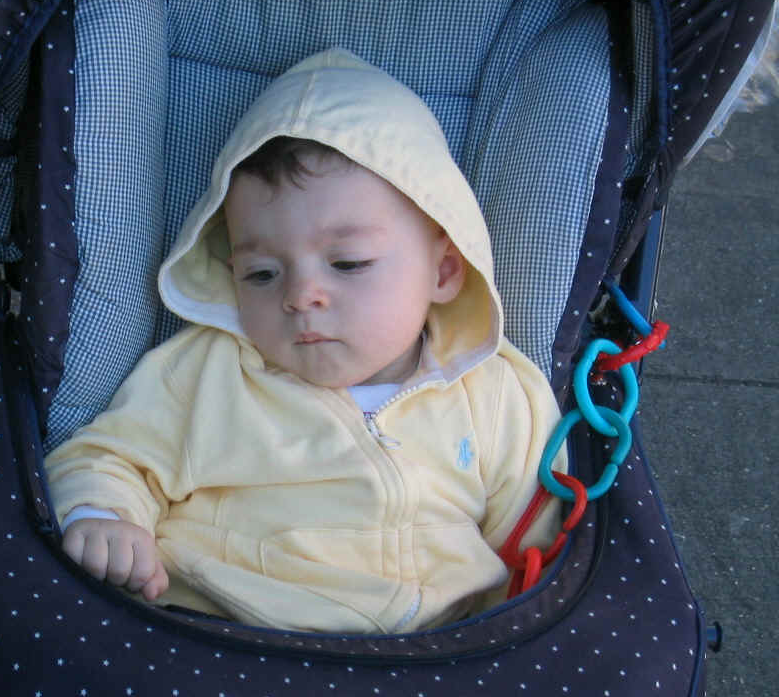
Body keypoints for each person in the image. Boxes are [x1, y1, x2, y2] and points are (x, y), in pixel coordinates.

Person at [44, 48, 567, 634]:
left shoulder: (495, 395)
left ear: (443, 271)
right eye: (261, 274)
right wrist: (104, 515)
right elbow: (111, 456)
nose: (300, 296)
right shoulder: (208, 373)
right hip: (221, 635)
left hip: (425, 659)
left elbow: (537, 541)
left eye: (347, 263)